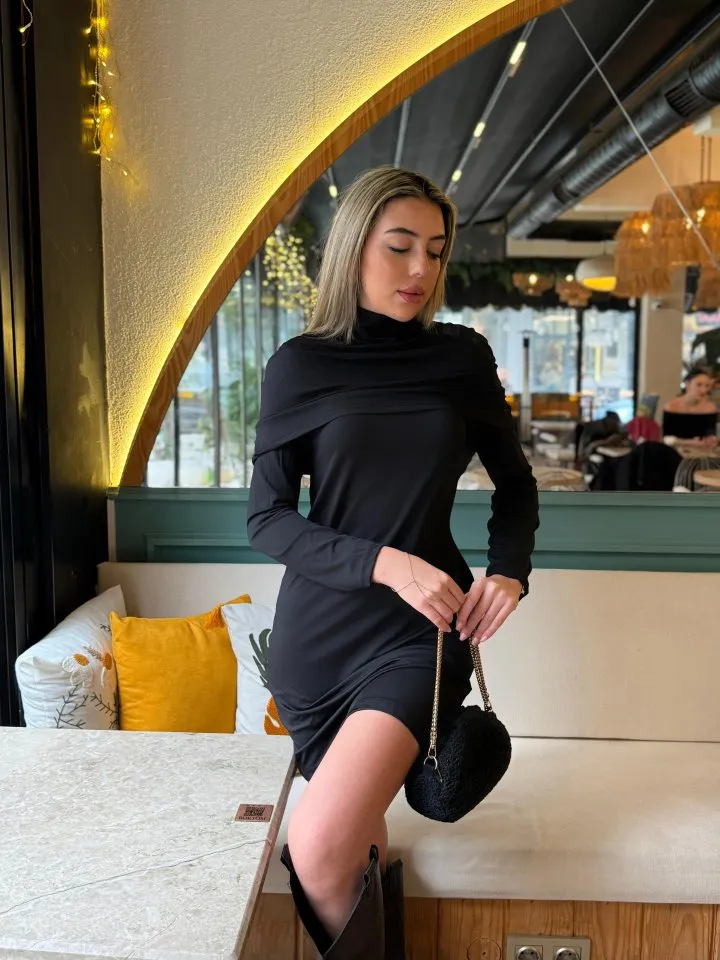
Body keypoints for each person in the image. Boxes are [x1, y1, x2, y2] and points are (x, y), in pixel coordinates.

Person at [247, 166, 539, 959]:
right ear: (354, 248)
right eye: (400, 246)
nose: (420, 269)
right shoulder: (298, 365)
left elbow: (515, 485)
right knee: (352, 849)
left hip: (423, 635)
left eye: (436, 252)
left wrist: (510, 569)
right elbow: (267, 520)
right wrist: (385, 563)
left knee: (317, 846)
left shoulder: (461, 357)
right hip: (317, 641)